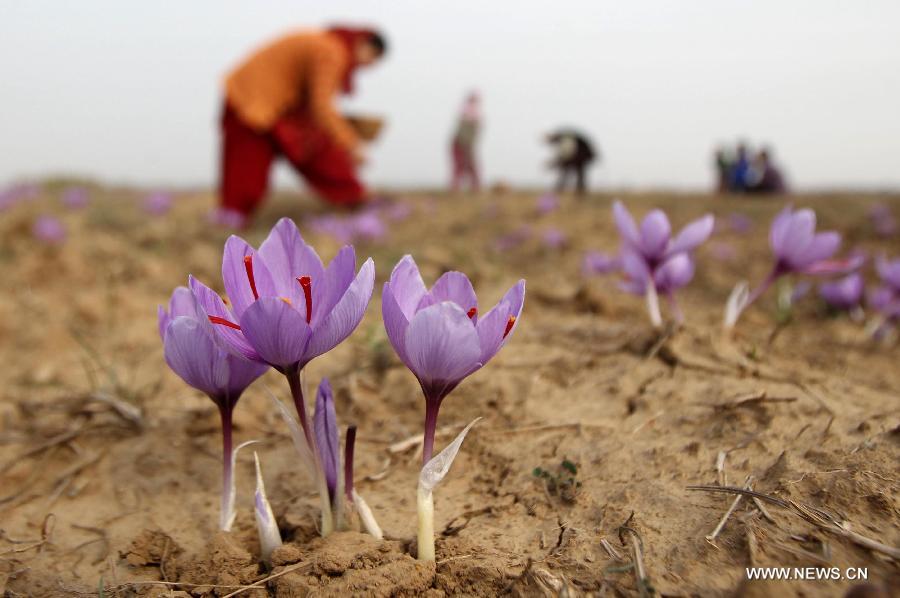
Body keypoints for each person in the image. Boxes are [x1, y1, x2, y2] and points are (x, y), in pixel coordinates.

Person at [217, 26, 387, 224]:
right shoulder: (332, 51)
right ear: (363, 43)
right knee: (249, 164)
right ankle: (232, 221)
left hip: (264, 100)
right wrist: (351, 144)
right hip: (254, 102)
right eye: (371, 59)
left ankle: (352, 195)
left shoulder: (325, 43)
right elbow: (322, 106)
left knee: (306, 145)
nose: (366, 66)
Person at [545, 129, 597, 196]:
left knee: (567, 173)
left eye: (551, 141)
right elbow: (564, 155)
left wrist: (555, 163)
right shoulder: (565, 138)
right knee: (571, 174)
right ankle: (578, 192)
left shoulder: (566, 139)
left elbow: (566, 154)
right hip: (579, 157)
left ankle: (575, 192)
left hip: (581, 157)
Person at [450, 92, 482, 192]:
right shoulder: (469, 112)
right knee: (462, 166)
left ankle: (472, 187)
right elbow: (467, 130)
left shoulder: (470, 112)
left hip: (464, 143)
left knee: (468, 166)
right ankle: (459, 187)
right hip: (462, 143)